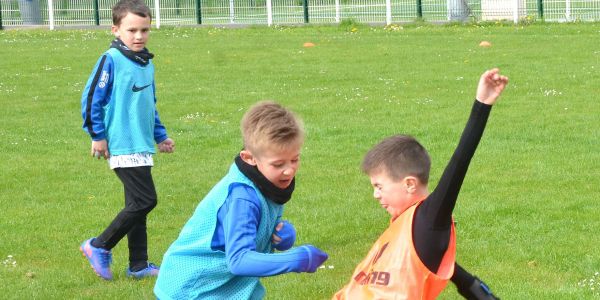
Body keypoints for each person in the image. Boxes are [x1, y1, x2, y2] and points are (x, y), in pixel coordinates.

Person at [334, 68, 508, 299]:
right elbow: (450, 270)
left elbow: (459, 162)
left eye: (379, 186)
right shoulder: (405, 227)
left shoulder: (429, 220)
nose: (376, 195)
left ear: (409, 184)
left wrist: (482, 104)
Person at [154, 101, 329, 300]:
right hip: (193, 288)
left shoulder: (267, 181)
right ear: (249, 158)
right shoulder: (242, 198)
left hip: (224, 285)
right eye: (278, 164)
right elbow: (239, 260)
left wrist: (278, 234)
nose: (289, 170)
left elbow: (249, 229)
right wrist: (298, 259)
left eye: (295, 159)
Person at [79, 0, 174, 281]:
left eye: (145, 30)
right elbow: (91, 99)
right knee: (145, 200)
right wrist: (97, 136)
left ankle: (138, 264)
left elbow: (148, 104)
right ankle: (99, 245)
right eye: (132, 30)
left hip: (141, 143)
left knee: (137, 205)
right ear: (116, 29)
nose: (139, 36)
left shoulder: (146, 62)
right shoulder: (111, 59)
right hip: (121, 143)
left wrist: (161, 135)